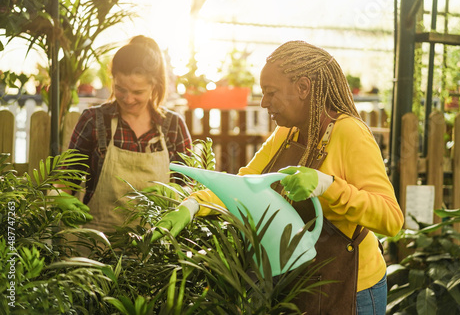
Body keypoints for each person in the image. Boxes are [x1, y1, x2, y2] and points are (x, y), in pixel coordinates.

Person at [154, 40, 403, 314]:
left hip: (353, 288)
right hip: (302, 283)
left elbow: (391, 219)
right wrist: (193, 205)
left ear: (303, 88)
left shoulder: (350, 133)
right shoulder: (288, 133)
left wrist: (326, 186)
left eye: (271, 92)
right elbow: (244, 184)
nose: (263, 103)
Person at [64, 35, 192, 232]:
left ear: (154, 86)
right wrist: (60, 198)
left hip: (156, 246)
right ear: (112, 79)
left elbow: (190, 189)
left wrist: (174, 193)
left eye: (138, 92)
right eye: (120, 89)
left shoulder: (173, 126)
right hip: (97, 243)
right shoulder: (94, 120)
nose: (128, 99)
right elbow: (65, 180)